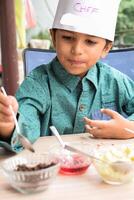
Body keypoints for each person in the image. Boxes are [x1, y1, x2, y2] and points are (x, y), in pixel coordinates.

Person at [0, 0, 134, 152]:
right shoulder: (38, 84)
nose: (77, 50)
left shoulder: (116, 81)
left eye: (90, 41)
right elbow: (25, 129)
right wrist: (8, 126)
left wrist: (128, 128)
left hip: (103, 170)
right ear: (53, 37)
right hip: (52, 170)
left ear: (106, 48)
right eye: (68, 38)